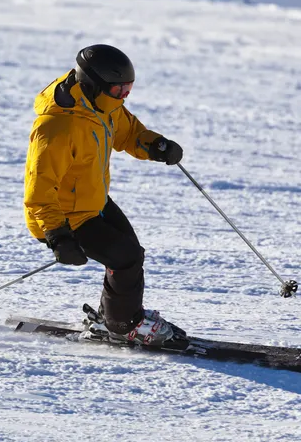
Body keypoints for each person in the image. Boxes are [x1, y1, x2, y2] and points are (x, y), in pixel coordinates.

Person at [23, 44, 185, 346]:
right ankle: (124, 325)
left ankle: (111, 316)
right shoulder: (57, 127)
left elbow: (127, 131)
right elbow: (39, 191)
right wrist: (57, 235)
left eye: (129, 89)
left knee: (131, 253)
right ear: (94, 84)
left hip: (92, 201)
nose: (124, 95)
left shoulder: (100, 106)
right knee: (125, 258)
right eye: (119, 89)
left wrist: (154, 145)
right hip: (63, 218)